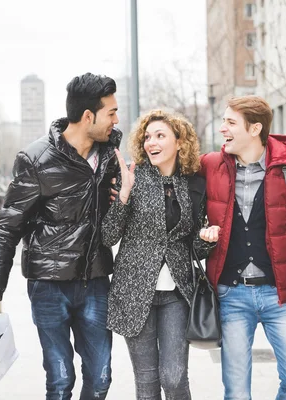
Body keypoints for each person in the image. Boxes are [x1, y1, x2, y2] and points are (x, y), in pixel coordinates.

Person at [0, 72, 121, 400]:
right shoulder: (36, 159)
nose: (116, 119)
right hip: (48, 286)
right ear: (88, 117)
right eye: (111, 112)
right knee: (60, 378)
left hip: (95, 280)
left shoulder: (112, 155)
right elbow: (6, 228)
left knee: (100, 378)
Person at [199, 96, 286, 400]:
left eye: (230, 122)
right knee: (236, 392)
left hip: (282, 295)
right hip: (231, 294)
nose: (222, 128)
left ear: (255, 128)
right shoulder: (211, 166)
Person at [101, 109, 220, 400]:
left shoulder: (193, 184)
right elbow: (108, 236)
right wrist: (124, 195)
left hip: (176, 295)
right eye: (147, 137)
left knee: (175, 378)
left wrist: (207, 239)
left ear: (179, 142)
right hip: (134, 293)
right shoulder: (131, 178)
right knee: (147, 382)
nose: (151, 142)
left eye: (160, 136)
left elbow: (193, 245)